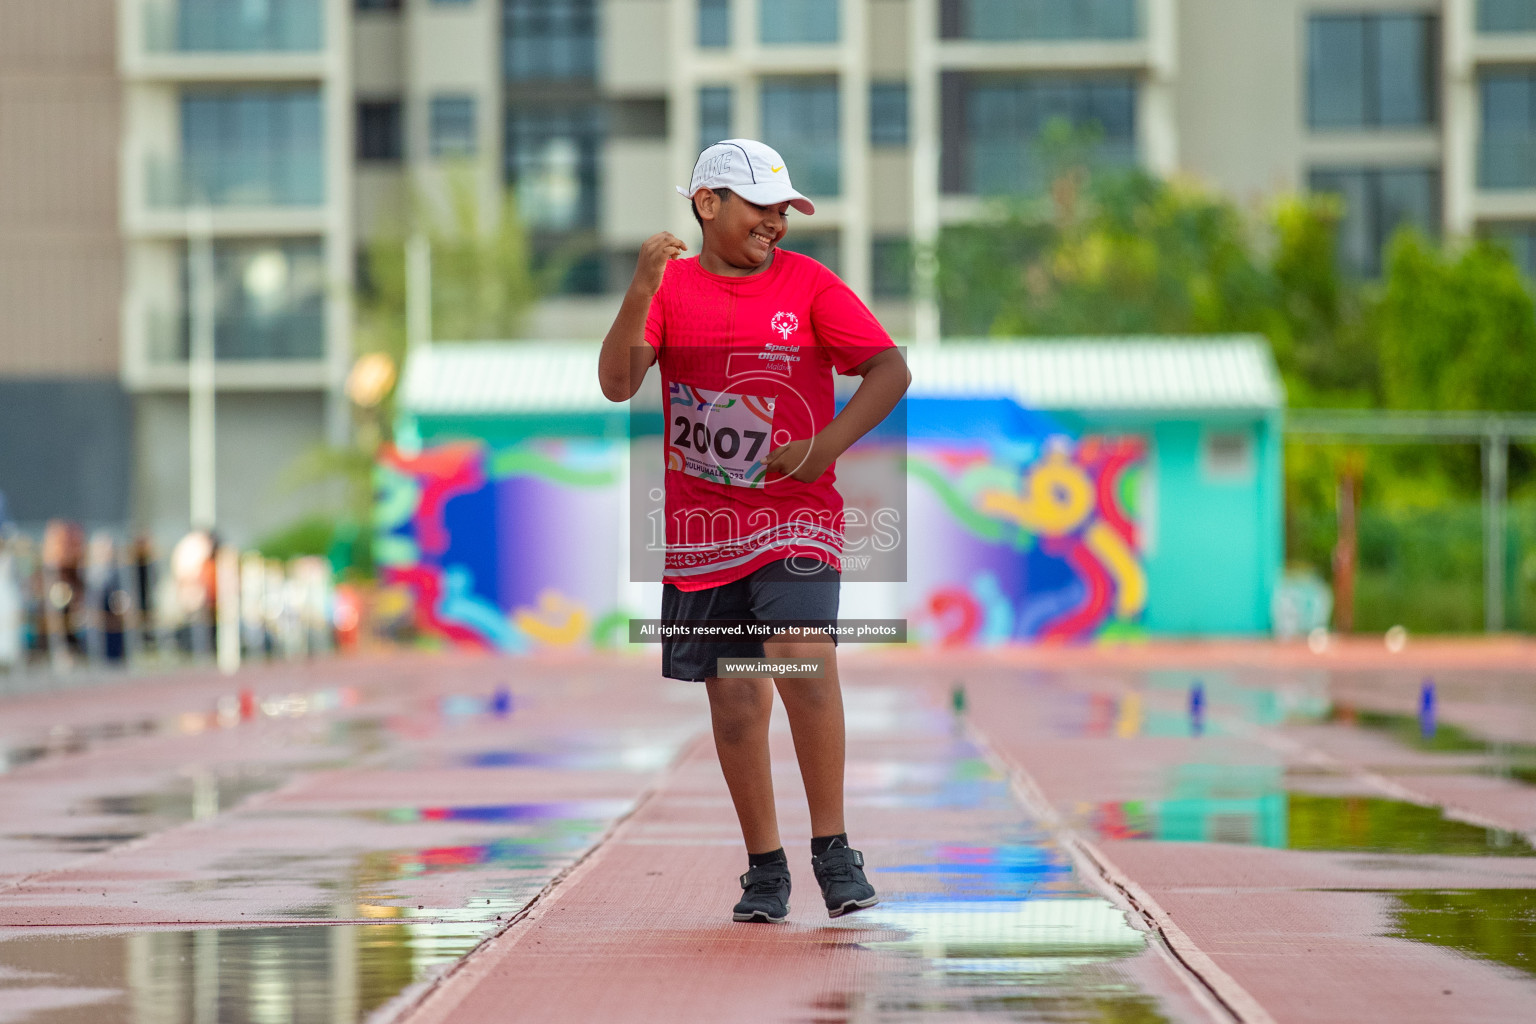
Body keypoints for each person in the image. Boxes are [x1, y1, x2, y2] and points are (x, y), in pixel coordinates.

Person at [598, 139, 911, 923]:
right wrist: (640, 287)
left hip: (798, 517)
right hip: (704, 529)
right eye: (760, 207)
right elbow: (616, 383)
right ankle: (765, 869)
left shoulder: (808, 285)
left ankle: (834, 851)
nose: (776, 222)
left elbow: (889, 369)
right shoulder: (668, 289)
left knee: (803, 654)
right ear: (708, 204)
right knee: (736, 698)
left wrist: (823, 449)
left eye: (784, 210)